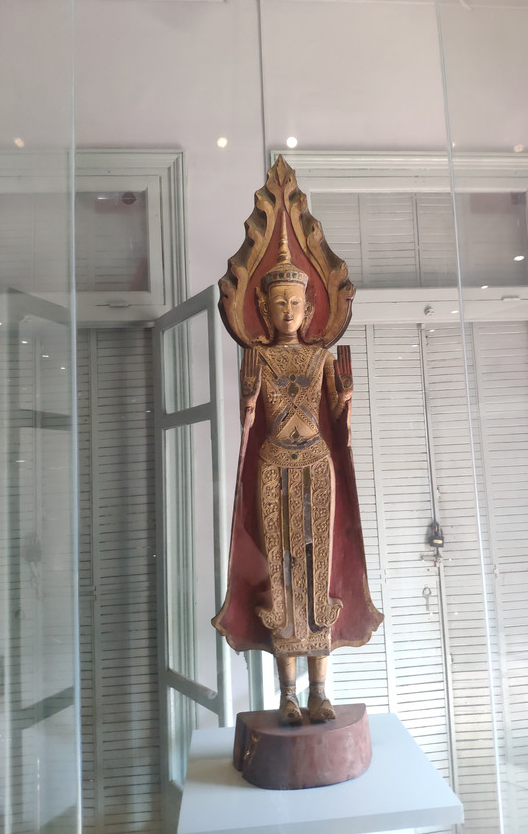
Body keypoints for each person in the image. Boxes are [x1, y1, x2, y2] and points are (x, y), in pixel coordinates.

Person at [213, 196, 383, 727]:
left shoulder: (321, 357)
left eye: (295, 302)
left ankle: (320, 692)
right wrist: (246, 406)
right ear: (264, 310)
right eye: (278, 302)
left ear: (309, 309)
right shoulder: (258, 357)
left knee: (317, 571)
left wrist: (345, 400)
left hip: (315, 464)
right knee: (281, 575)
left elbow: (337, 422)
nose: (287, 310)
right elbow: (249, 424)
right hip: (273, 466)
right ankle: (287, 694)